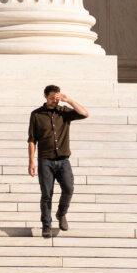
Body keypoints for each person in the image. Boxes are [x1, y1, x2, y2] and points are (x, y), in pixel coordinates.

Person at [28, 84, 90, 238]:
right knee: (46, 194)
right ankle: (46, 225)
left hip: (63, 160)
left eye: (57, 98)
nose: (55, 101)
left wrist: (69, 100)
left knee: (68, 188)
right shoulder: (36, 114)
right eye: (52, 98)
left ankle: (61, 214)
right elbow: (32, 140)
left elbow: (85, 113)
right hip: (45, 161)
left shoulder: (64, 112)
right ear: (45, 96)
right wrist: (31, 162)